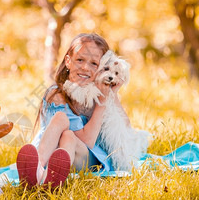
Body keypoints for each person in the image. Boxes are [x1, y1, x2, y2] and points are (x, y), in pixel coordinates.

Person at [16, 33, 126, 187]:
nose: (85, 67)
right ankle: (39, 169)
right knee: (62, 121)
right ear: (68, 61)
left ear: (102, 69)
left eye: (94, 63)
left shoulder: (101, 92)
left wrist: (110, 97)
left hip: (84, 156)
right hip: (51, 153)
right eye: (80, 60)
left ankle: (48, 177)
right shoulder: (56, 94)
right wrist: (102, 103)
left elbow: (124, 127)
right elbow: (86, 138)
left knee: (68, 137)